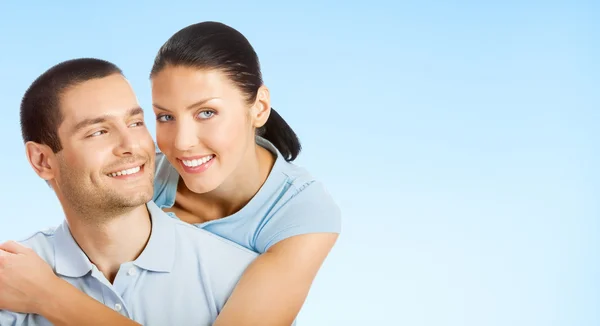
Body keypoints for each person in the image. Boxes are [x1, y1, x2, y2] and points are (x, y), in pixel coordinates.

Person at [0, 21, 341, 325]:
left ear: (259, 108)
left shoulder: (303, 213)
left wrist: (48, 296)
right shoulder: (145, 171)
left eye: (207, 112)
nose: (181, 142)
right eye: (164, 117)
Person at [0, 58, 257, 326]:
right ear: (42, 160)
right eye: (98, 132)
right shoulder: (8, 281)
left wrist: (49, 297)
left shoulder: (237, 277)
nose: (131, 145)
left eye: (135, 123)